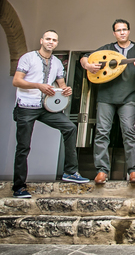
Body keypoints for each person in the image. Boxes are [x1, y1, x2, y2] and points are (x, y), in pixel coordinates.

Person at [12, 30, 89, 198]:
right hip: (26, 106)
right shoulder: (28, 57)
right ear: (41, 40)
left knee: (69, 128)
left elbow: (61, 84)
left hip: (46, 107)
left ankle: (70, 171)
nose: (50, 42)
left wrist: (65, 89)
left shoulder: (57, 63)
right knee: (23, 146)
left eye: (54, 40)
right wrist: (38, 86)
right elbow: (16, 81)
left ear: (56, 43)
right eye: (48, 39)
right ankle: (18, 187)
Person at [81, 19, 135, 185]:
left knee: (129, 132)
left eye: (124, 29)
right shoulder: (107, 49)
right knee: (102, 132)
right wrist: (88, 66)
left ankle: (133, 171)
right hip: (106, 97)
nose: (122, 32)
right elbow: (85, 58)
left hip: (128, 98)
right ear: (114, 33)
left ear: (129, 31)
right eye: (118, 30)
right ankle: (101, 171)